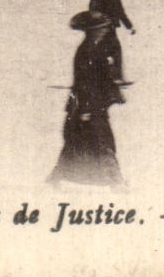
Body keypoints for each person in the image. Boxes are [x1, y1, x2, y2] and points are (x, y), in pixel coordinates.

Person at [48, 11, 125, 187]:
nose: (104, 31)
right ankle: (116, 182)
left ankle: (56, 177)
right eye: (100, 28)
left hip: (91, 105)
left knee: (76, 143)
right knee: (103, 143)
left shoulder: (94, 48)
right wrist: (85, 110)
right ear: (92, 31)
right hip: (89, 106)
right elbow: (85, 83)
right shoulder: (87, 52)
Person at [88, 0, 134, 84]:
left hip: (98, 24)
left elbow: (92, 6)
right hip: (108, 24)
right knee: (115, 50)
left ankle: (99, 77)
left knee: (101, 50)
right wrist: (129, 26)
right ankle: (116, 78)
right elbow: (119, 9)